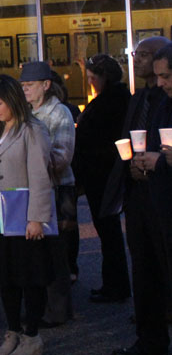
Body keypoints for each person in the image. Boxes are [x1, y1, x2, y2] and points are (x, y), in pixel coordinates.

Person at [0, 74, 54, 355]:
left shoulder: (32, 130)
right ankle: (13, 331)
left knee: (28, 275)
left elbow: (41, 176)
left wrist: (37, 218)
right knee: (5, 275)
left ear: (13, 100)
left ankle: (32, 336)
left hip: (21, 211)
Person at [111, 40, 172, 355]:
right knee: (144, 266)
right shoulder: (140, 98)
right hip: (139, 193)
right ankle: (150, 340)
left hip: (164, 194)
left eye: (144, 55)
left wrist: (157, 163)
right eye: (137, 55)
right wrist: (131, 165)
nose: (137, 60)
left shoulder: (164, 100)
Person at [19, 62, 76, 328]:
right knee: (36, 251)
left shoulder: (59, 113)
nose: (25, 90)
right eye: (23, 86)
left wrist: (28, 160)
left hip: (58, 187)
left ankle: (58, 310)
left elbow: (62, 157)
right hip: (34, 187)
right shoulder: (26, 112)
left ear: (46, 85)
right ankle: (41, 306)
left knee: (56, 251)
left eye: (29, 85)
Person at [73, 53, 132, 303]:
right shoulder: (116, 99)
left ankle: (115, 285)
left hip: (102, 173)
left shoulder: (109, 103)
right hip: (102, 172)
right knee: (109, 232)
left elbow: (99, 138)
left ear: (103, 77)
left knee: (108, 232)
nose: (90, 83)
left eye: (92, 78)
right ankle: (114, 283)